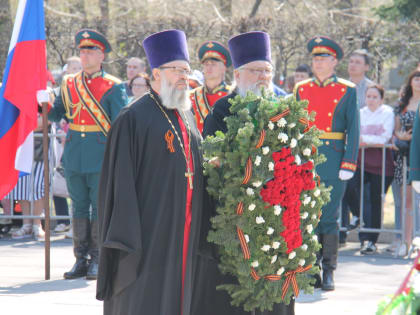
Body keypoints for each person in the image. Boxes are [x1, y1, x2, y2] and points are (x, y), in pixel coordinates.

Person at [96, 29, 204, 315]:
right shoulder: (132, 118)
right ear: (156, 73)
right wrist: (128, 239)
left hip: (184, 230)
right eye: (177, 70)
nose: (185, 77)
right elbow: (120, 186)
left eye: (187, 70)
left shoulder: (186, 114)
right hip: (148, 233)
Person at [199, 31, 295, 315]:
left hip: (277, 215)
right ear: (238, 75)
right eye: (256, 71)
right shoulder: (222, 110)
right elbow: (211, 159)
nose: (263, 77)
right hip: (235, 215)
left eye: (267, 70)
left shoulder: (283, 108)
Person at [37, 29, 128, 280]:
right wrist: (43, 103)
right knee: (78, 206)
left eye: (90, 50)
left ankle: (98, 258)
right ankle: (81, 258)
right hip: (75, 153)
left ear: (102, 55)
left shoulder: (114, 85)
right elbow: (58, 114)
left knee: (98, 207)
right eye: (82, 50)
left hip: (100, 154)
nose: (85, 55)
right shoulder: (69, 83)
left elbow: (121, 124)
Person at [294, 36, 360, 291]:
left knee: (329, 217)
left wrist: (349, 162)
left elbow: (354, 129)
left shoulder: (347, 89)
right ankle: (311, 268)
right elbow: (296, 126)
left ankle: (330, 269)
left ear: (334, 62)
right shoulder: (301, 89)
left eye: (323, 58)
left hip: (333, 159)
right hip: (307, 159)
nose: (318, 63)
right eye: (315, 58)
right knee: (307, 216)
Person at [346, 84, 394, 254]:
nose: (371, 100)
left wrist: (365, 140)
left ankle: (371, 241)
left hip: (381, 165)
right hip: (361, 161)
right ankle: (358, 216)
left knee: (374, 202)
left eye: (375, 97)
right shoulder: (360, 113)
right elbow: (354, 135)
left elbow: (385, 137)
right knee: (349, 186)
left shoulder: (388, 113)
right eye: (369, 96)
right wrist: (368, 140)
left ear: (381, 99)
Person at [340, 49, 374, 245]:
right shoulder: (342, 86)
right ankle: (341, 233)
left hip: (365, 148)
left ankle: (364, 231)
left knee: (359, 190)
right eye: (351, 61)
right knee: (343, 189)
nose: (352, 65)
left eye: (358, 62)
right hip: (342, 145)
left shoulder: (370, 88)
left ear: (367, 67)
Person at [394, 70, 420, 256]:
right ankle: (406, 240)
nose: (418, 82)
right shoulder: (403, 104)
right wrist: (400, 136)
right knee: (407, 201)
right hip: (404, 156)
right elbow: (395, 129)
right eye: (416, 79)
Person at [190, 40, 232, 133]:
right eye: (206, 64)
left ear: (224, 68)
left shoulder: (232, 95)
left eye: (213, 64)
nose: (209, 67)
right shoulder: (191, 96)